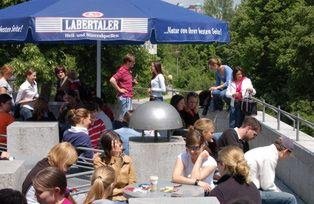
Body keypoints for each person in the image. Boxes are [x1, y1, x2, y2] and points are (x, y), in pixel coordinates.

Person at [244, 137, 297, 204]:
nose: (286, 157)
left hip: (243, 187)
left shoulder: (265, 150)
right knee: (290, 198)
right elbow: (267, 186)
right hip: (249, 192)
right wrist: (281, 194)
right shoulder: (270, 157)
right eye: (288, 155)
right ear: (285, 151)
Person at [93, 131, 136, 202]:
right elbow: (106, 187)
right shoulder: (99, 161)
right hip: (109, 198)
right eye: (114, 147)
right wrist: (116, 158)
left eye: (120, 145)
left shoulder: (127, 159)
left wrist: (125, 191)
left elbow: (132, 182)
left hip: (126, 197)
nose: (119, 149)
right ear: (107, 148)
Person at [172, 127, 217, 192]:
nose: (192, 151)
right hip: (189, 192)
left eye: (196, 148)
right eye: (189, 147)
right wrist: (197, 182)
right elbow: (175, 177)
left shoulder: (210, 162)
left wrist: (200, 158)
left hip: (206, 195)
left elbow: (194, 178)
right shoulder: (183, 156)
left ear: (203, 145)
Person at [110, 53, 137, 121]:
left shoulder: (128, 71)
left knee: (126, 118)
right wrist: (119, 89)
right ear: (128, 62)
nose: (134, 63)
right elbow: (112, 80)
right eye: (133, 62)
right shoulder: (122, 70)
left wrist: (133, 83)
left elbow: (124, 84)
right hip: (125, 98)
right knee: (125, 118)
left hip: (128, 97)